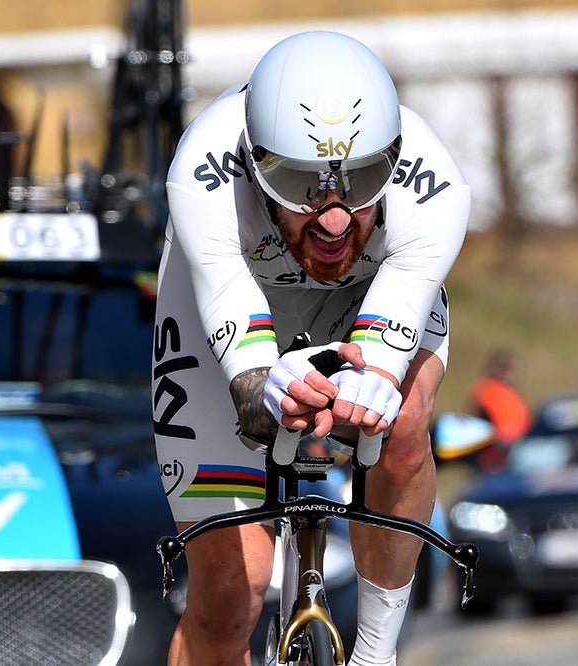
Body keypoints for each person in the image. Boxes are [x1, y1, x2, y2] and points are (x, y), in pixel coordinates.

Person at [152, 30, 470, 666]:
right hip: (234, 299)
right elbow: (247, 388)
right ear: (258, 161)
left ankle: (378, 652)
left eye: (362, 185)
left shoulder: (437, 192)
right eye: (301, 186)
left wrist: (370, 382)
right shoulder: (203, 172)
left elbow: (386, 354)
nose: (332, 220)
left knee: (400, 421)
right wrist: (266, 383)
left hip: (369, 295)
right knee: (227, 594)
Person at [469, 349, 532, 471]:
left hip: (519, 446)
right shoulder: (488, 390)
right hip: (500, 452)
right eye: (504, 367)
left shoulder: (512, 394)